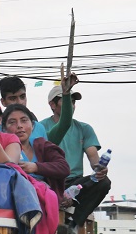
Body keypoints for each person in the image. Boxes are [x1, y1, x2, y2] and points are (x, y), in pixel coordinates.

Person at [40, 84, 111, 230]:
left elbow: (93, 158)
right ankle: (64, 201)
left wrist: (100, 169)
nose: (71, 105)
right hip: (51, 181)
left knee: (103, 182)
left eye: (72, 101)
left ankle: (74, 224)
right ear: (52, 105)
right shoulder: (41, 127)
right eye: (66, 101)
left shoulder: (84, 128)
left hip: (76, 183)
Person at [2, 104, 70, 202]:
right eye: (12, 122)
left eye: (24, 120)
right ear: (4, 128)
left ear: (32, 125)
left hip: (44, 198)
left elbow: (64, 168)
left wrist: (35, 167)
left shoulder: (41, 145)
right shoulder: (2, 149)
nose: (19, 126)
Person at [0, 76, 48, 141]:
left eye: (22, 97)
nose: (19, 102)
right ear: (3, 102)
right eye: (13, 98)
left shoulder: (38, 127)